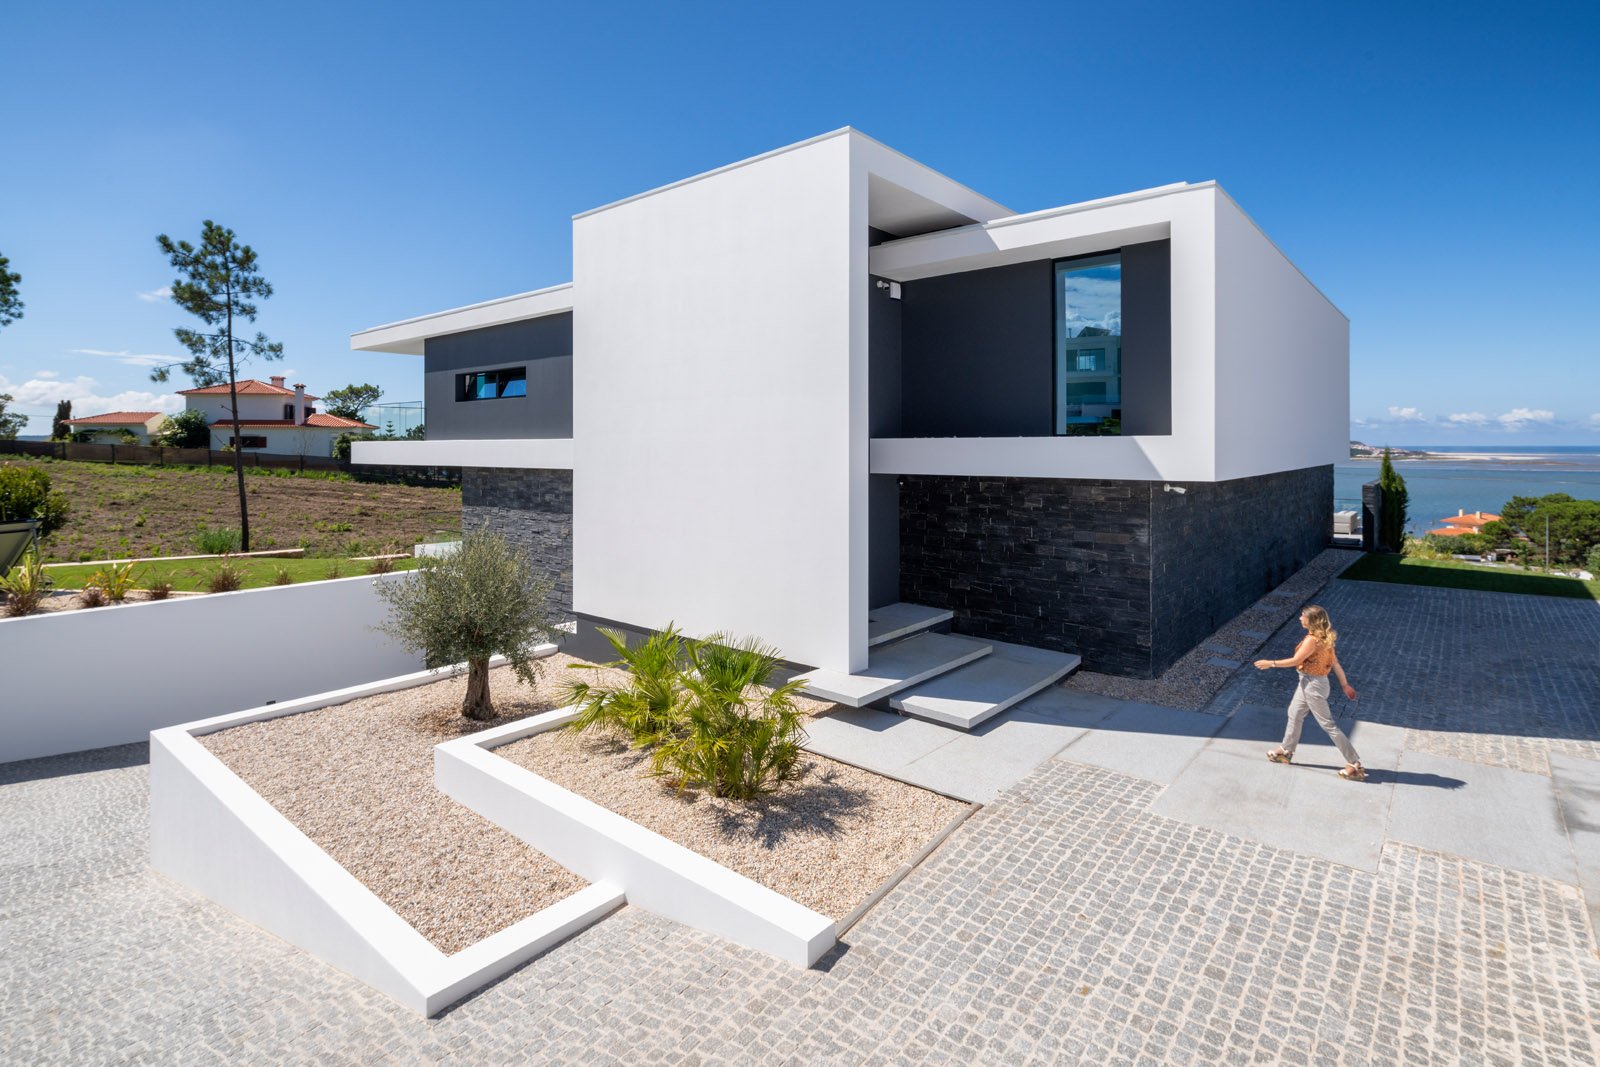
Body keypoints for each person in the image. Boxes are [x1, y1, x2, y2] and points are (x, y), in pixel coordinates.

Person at [1254, 604, 1365, 781]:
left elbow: (1296, 660)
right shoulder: (1325, 638)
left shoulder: (1312, 641)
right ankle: (1286, 750)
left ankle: (1355, 764)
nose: (1300, 618)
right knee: (1295, 713)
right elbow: (1335, 664)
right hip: (1311, 683)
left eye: (1303, 616)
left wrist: (1271, 663)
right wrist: (1345, 685)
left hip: (1313, 685)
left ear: (1311, 620)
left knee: (1328, 724)